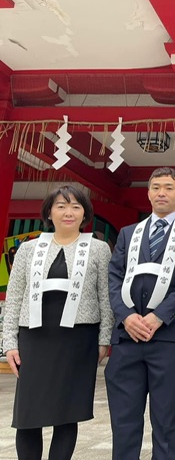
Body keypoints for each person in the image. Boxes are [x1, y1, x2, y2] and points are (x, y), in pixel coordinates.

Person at [3, 185, 113, 460]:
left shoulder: (98, 249)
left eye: (76, 206)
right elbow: (15, 297)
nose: (68, 212)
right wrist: (9, 343)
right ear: (49, 212)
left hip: (78, 339)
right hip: (35, 338)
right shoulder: (28, 250)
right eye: (61, 206)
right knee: (28, 413)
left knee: (68, 411)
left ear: (85, 214)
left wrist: (104, 340)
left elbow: (106, 298)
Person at [106, 167, 175, 460]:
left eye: (169, 187)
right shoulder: (128, 234)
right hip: (128, 339)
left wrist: (158, 316)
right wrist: (126, 316)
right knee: (124, 420)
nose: (162, 192)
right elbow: (114, 277)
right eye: (156, 187)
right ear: (148, 193)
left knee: (166, 420)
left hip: (170, 340)